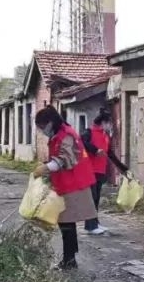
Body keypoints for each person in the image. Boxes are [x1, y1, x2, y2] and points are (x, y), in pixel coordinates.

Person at [31, 105, 99, 270]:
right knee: (66, 223)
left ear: (51, 122)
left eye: (42, 126)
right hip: (66, 183)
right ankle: (70, 258)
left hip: (74, 184)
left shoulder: (66, 135)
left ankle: (69, 260)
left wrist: (46, 168)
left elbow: (65, 160)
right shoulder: (58, 134)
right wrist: (48, 169)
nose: (41, 130)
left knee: (67, 222)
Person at [81, 107, 130, 236]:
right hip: (89, 170)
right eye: (108, 123)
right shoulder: (89, 132)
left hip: (100, 171)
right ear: (102, 122)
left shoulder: (105, 135)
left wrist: (123, 168)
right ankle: (90, 226)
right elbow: (82, 142)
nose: (110, 125)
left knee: (96, 198)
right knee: (91, 198)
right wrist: (95, 150)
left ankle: (95, 223)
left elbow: (110, 154)